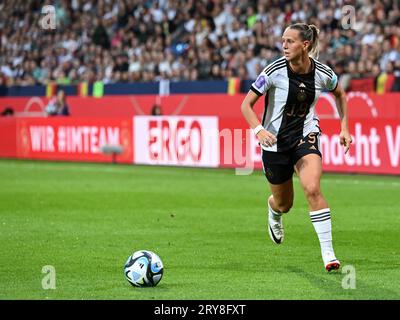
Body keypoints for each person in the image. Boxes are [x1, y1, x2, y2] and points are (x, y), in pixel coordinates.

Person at [241, 23, 352, 272]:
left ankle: (328, 254)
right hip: (275, 144)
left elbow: (341, 94)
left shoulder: (322, 72)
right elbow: (246, 105)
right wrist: (259, 130)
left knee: (312, 188)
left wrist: (344, 128)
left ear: (305, 45)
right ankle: (274, 210)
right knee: (285, 205)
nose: (284, 46)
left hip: (306, 134)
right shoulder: (273, 71)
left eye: (290, 41)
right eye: (283, 40)